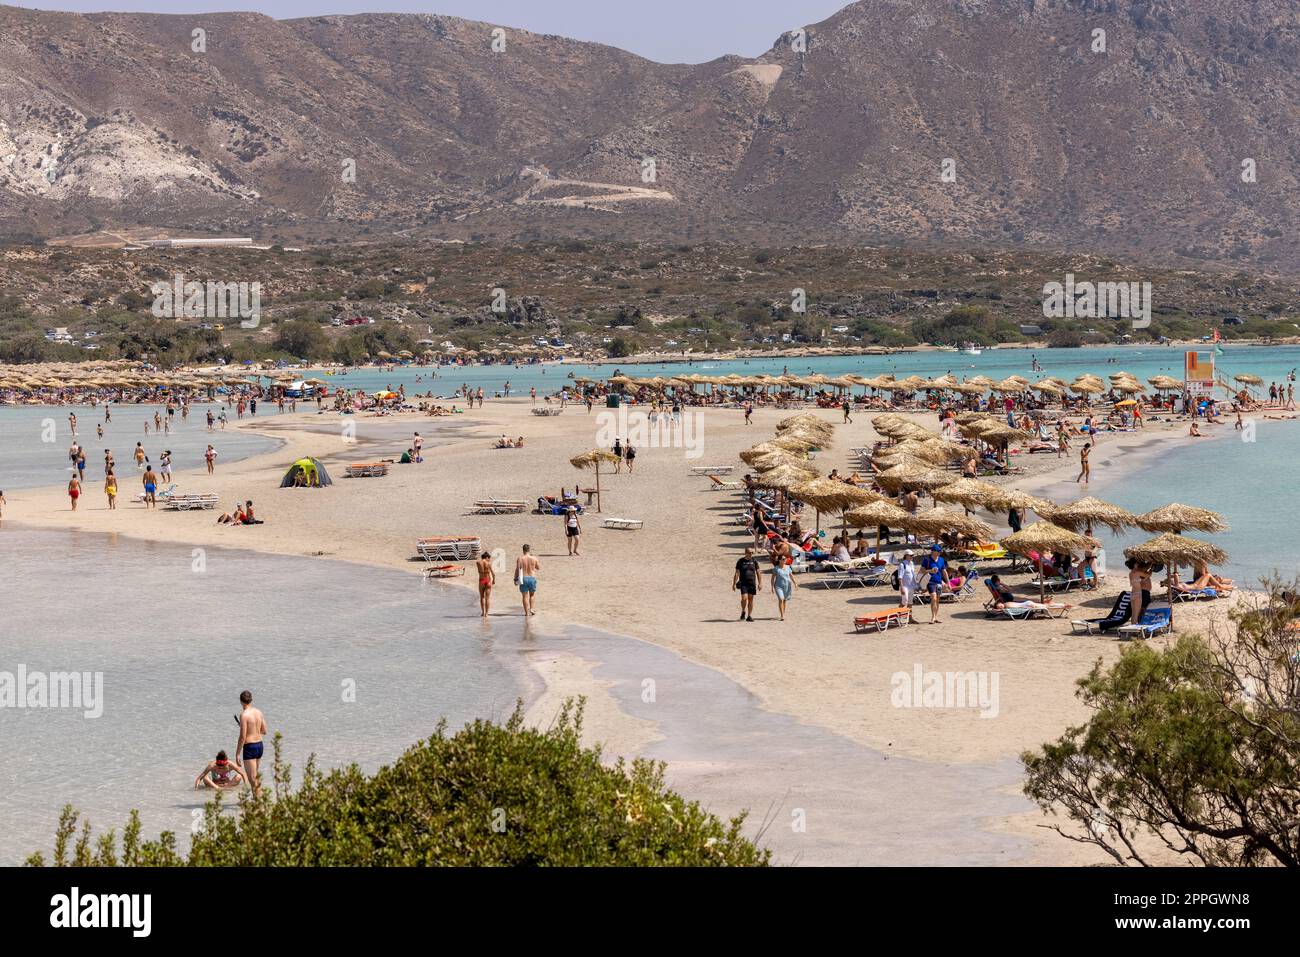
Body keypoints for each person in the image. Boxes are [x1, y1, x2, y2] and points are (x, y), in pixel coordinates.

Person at [235, 691, 267, 797]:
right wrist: (253, 730)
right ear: (251, 700)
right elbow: (264, 730)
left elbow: (242, 737)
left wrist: (237, 754)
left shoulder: (244, 715)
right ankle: (257, 802)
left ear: (241, 701)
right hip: (259, 745)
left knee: (252, 780)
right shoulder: (258, 712)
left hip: (250, 747)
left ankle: (260, 801)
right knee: (255, 777)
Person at [920, 545, 947, 623]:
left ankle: (935, 617)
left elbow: (944, 571)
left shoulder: (941, 559)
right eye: (937, 551)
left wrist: (947, 582)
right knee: (933, 598)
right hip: (930, 581)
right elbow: (922, 570)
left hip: (939, 581)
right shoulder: (927, 560)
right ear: (932, 551)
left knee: (937, 600)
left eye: (939, 551)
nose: (939, 552)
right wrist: (930, 571)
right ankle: (933, 617)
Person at [733, 547, 761, 621]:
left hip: (752, 583)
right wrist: (734, 583)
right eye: (749, 552)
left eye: (752, 552)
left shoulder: (754, 561)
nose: (751, 554)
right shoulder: (740, 561)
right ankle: (743, 611)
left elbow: (758, 572)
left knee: (751, 599)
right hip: (743, 583)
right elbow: (737, 573)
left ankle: (749, 616)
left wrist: (760, 583)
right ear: (745, 553)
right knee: (744, 598)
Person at [515, 544, 540, 616]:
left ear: (523, 550)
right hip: (532, 577)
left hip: (524, 578)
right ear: (529, 550)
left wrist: (515, 579)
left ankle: (526, 613)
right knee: (532, 595)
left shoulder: (520, 558)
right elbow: (538, 567)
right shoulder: (534, 558)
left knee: (524, 596)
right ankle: (531, 608)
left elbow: (517, 569)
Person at [770, 557, 797, 621]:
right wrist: (772, 587)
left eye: (785, 559)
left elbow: (791, 575)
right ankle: (782, 616)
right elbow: (772, 578)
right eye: (783, 559)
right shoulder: (776, 568)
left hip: (787, 586)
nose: (785, 560)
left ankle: (783, 613)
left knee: (784, 600)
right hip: (778, 586)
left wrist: (795, 583)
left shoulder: (788, 567)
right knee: (781, 599)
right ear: (779, 560)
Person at [476, 547, 496, 617]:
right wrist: (494, 580)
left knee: (482, 597)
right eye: (489, 558)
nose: (489, 559)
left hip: (481, 580)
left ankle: (483, 612)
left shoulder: (478, 563)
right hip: (488, 580)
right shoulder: (489, 563)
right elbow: (493, 574)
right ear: (487, 557)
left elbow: (478, 562)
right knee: (487, 598)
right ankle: (486, 613)